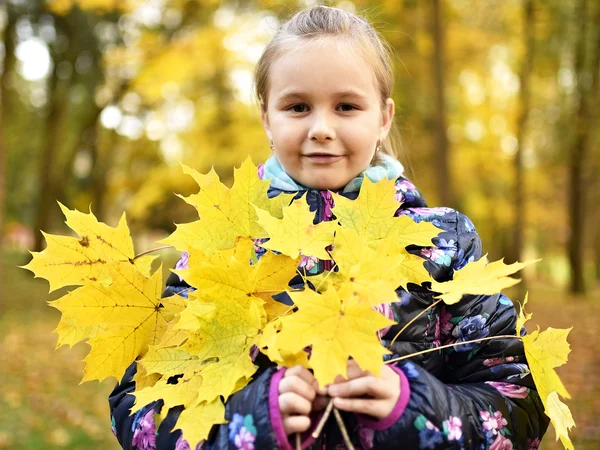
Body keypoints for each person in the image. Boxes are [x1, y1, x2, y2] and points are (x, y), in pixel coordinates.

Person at [109, 5, 549, 450]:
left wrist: (412, 404)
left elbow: (520, 406)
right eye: (298, 106)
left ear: (383, 118)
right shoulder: (223, 246)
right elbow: (141, 410)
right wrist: (254, 417)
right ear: (267, 118)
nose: (321, 128)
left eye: (346, 106)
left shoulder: (442, 245)